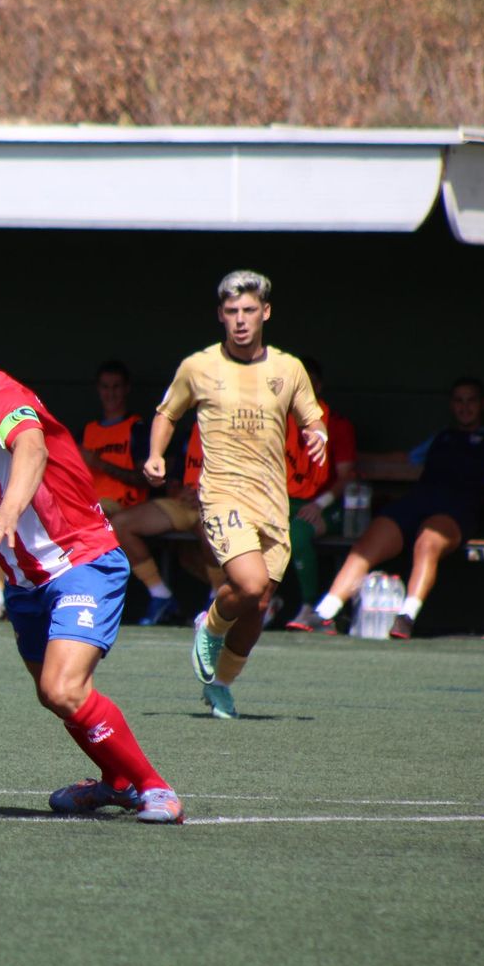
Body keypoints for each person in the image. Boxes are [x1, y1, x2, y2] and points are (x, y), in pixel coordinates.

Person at [0, 287, 182, 824]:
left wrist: (9, 511)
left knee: (62, 687)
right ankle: (115, 781)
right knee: (57, 695)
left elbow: (31, 445)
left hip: (81, 561)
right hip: (27, 581)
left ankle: (153, 787)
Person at [146, 270, 326, 719]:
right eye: (232, 312)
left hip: (272, 502)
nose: (241, 320)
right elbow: (167, 413)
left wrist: (317, 433)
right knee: (249, 583)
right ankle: (207, 627)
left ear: (265, 312)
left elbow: (312, 417)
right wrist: (155, 455)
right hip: (223, 494)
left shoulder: (288, 369)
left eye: (249, 311)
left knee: (259, 604)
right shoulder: (198, 366)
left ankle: (221, 684)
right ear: (220, 316)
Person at [288, 377, 484, 639]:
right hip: (418, 500)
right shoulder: (442, 437)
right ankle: (325, 614)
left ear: (483, 404)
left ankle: (406, 617)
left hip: (456, 509)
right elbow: (402, 459)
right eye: (459, 401)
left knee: (427, 542)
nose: (465, 407)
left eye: (471, 400)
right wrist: (350, 458)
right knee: (367, 544)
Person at [280, 356, 356, 625]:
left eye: (309, 385)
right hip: (288, 500)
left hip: (327, 505)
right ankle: (262, 602)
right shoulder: (279, 421)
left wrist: (320, 504)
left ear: (319, 387)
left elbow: (346, 477)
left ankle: (310, 606)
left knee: (297, 533)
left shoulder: (336, 424)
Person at [110, 425, 209, 625]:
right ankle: (160, 594)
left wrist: (207, 494)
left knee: (212, 533)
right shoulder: (192, 431)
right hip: (184, 502)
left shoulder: (239, 425)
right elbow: (174, 473)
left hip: (218, 503)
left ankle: (217, 597)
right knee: (120, 524)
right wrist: (176, 489)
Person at [80, 360, 150, 518]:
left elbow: (145, 479)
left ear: (126, 388)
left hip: (127, 509)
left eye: (116, 387)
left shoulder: (138, 428)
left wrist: (101, 464)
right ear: (98, 389)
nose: (110, 393)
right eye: (105, 387)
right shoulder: (87, 431)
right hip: (91, 506)